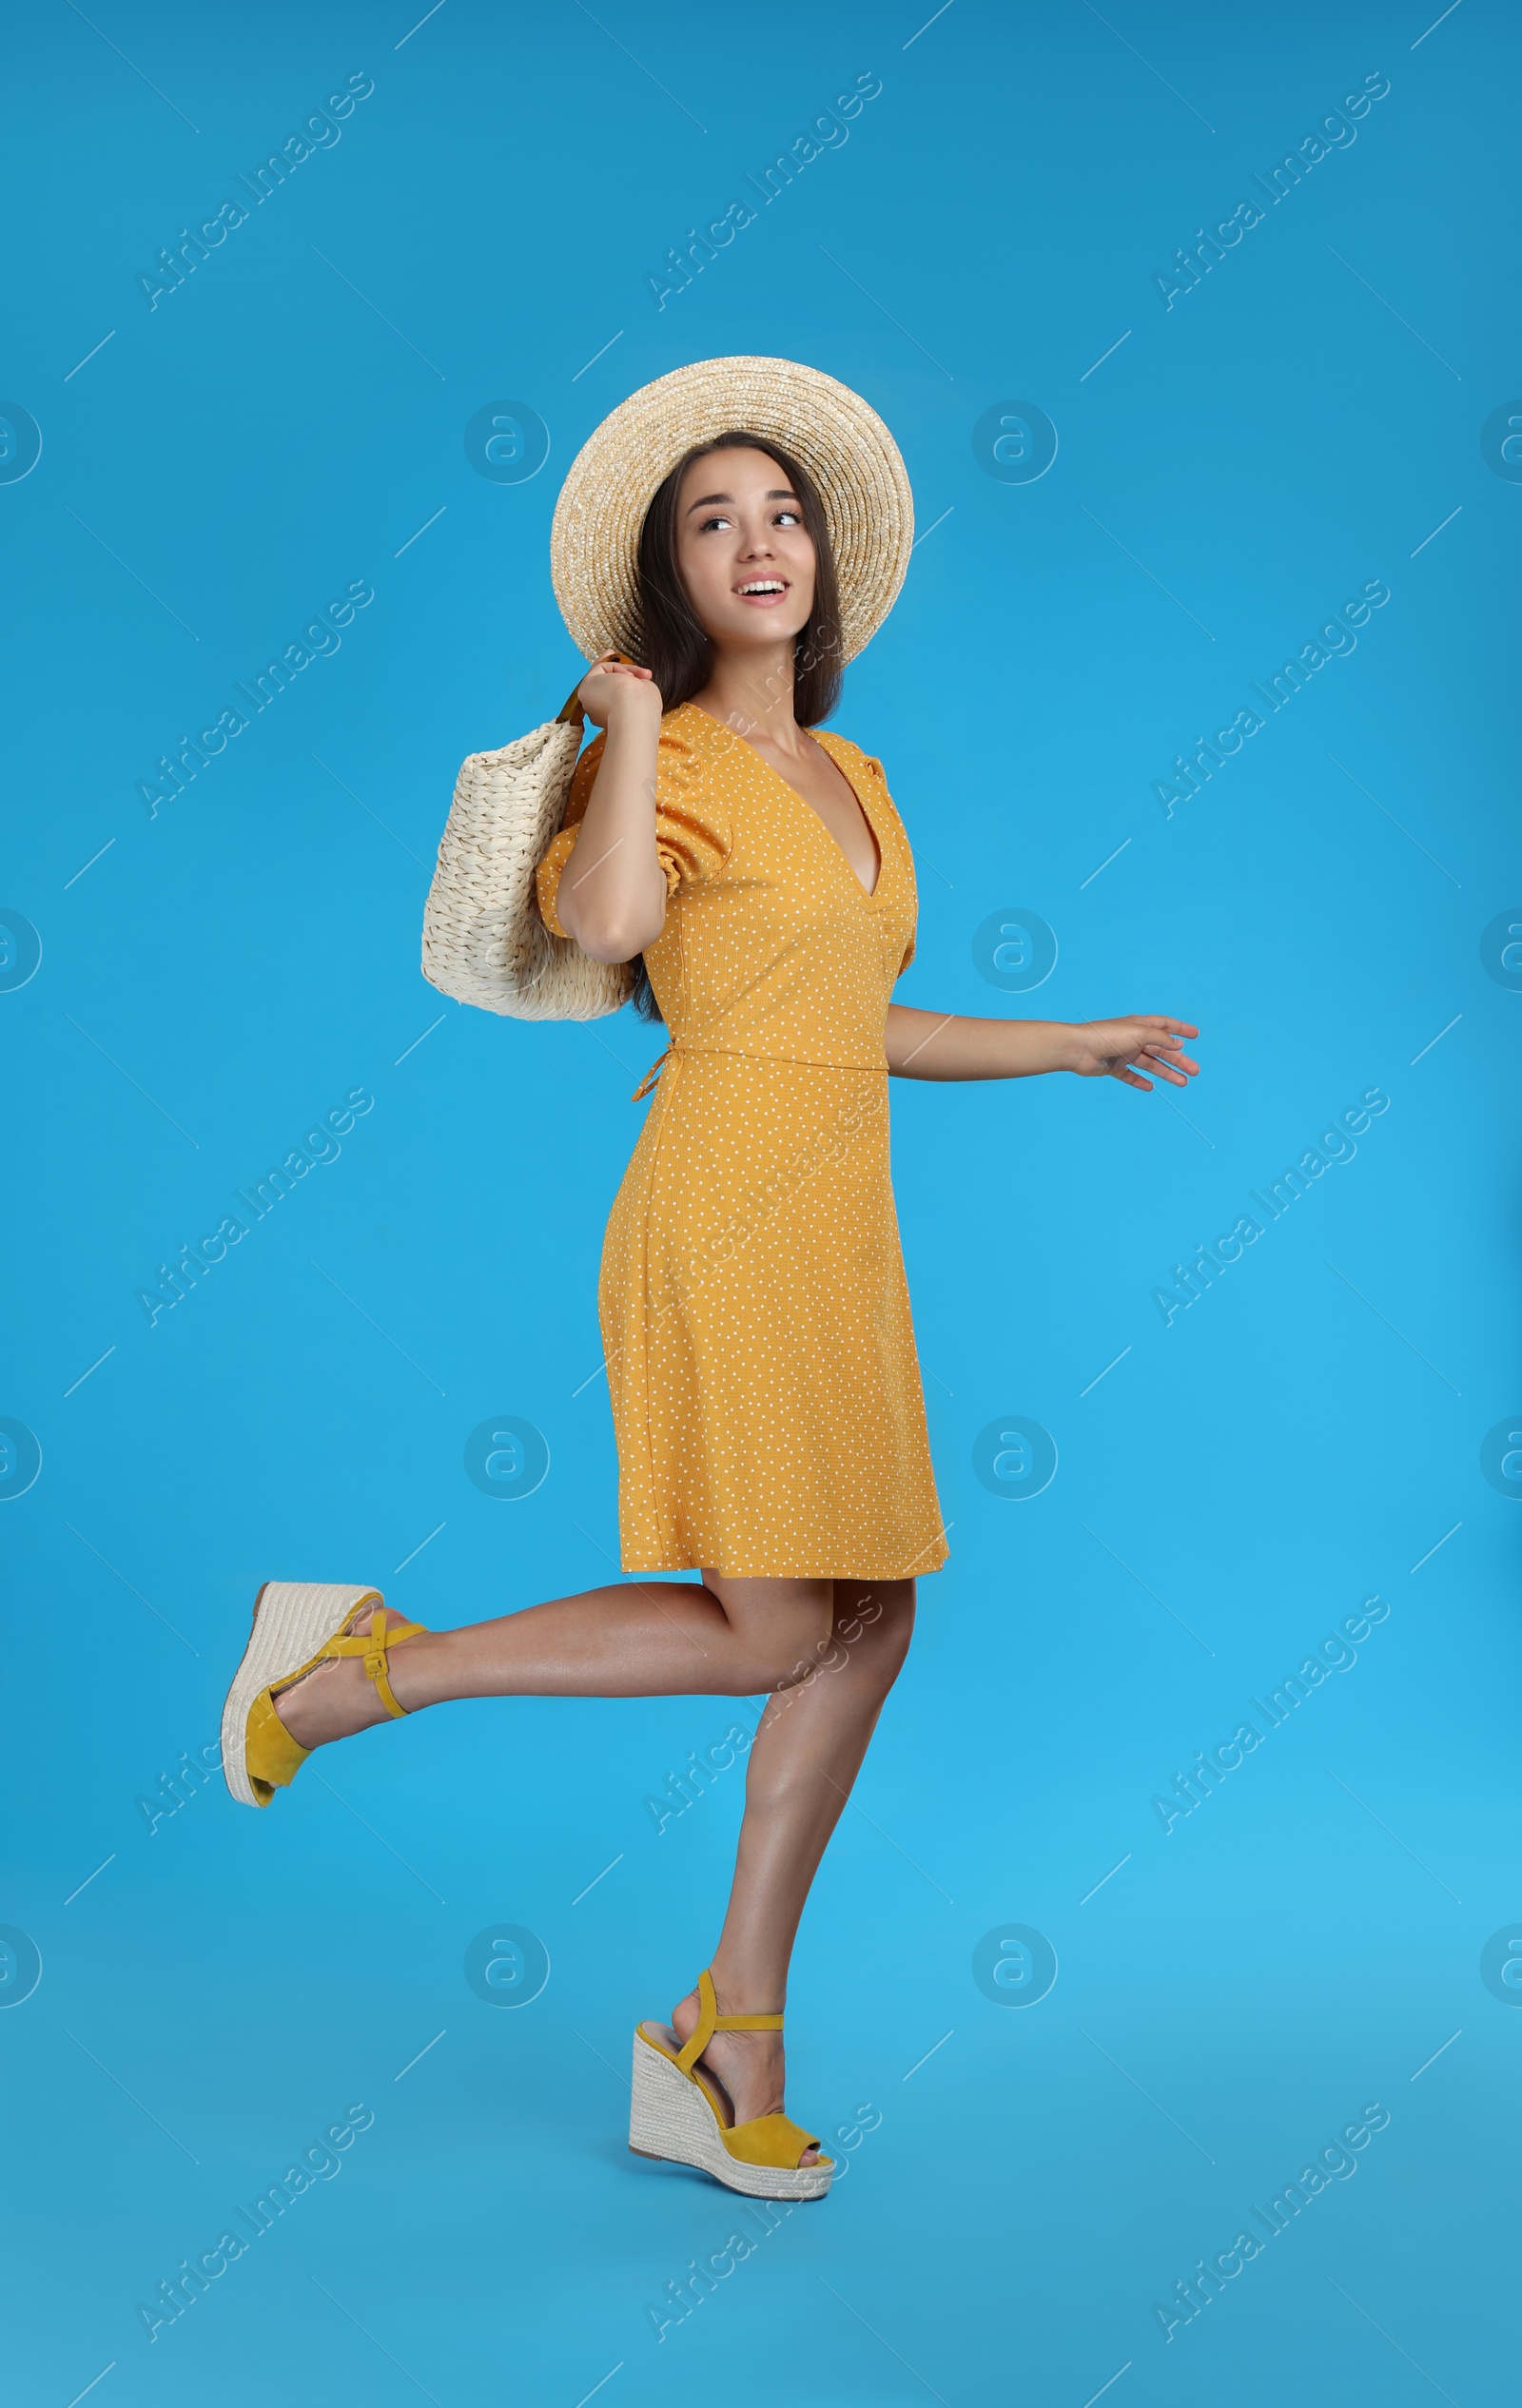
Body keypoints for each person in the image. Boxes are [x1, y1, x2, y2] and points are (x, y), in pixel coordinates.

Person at [220, 358, 1199, 2204]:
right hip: (723, 1199)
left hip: (839, 1213)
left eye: (782, 511)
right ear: (671, 577)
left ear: (821, 555)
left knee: (873, 1615)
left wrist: (1066, 1041)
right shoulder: (644, 759)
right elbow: (604, 935)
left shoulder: (857, 772)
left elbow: (850, 1018)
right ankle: (359, 1672)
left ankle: (722, 2027)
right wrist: (630, 734)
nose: (759, 540)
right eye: (712, 519)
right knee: (772, 1626)